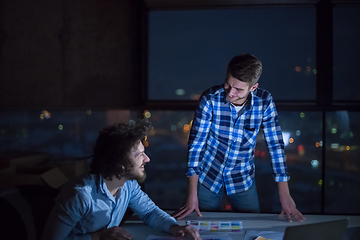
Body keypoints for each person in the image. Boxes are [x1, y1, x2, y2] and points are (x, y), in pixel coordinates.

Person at [172, 53, 305, 222]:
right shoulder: (209, 99)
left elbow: (275, 147)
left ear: (253, 88)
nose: (231, 93)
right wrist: (191, 193)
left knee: (252, 227)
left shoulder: (264, 102)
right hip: (207, 178)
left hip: (242, 179)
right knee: (200, 228)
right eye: (228, 85)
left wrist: (285, 194)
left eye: (239, 89)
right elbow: (196, 146)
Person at [42, 119, 201, 240]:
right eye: (140, 155)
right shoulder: (80, 195)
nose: (147, 159)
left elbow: (150, 212)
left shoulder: (128, 186)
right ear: (120, 163)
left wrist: (175, 228)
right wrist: (98, 236)